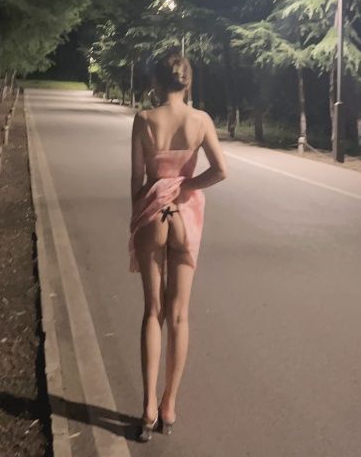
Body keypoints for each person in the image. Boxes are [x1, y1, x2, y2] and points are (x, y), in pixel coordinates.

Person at [128, 50, 228, 442]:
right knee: (180, 315)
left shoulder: (144, 120)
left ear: (156, 81)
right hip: (186, 217)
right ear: (187, 82)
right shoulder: (200, 121)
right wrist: (186, 186)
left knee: (152, 312)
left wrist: (138, 217)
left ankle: (148, 408)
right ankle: (169, 406)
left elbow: (137, 178)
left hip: (153, 214)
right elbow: (220, 171)